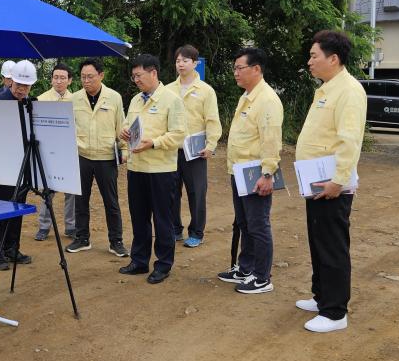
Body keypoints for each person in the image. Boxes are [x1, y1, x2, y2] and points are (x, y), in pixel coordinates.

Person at [294, 30, 366, 333]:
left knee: (332, 245)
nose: (309, 61)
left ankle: (335, 312)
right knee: (318, 240)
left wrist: (338, 181)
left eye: (314, 56)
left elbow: (350, 141)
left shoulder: (349, 91)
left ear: (333, 58)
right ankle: (321, 296)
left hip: (332, 183)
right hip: (316, 179)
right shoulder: (327, 88)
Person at [217, 47, 282, 294]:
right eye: (234, 68)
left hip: (256, 173)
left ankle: (262, 277)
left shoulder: (267, 100)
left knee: (258, 225)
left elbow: (271, 141)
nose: (235, 73)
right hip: (239, 171)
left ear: (256, 69)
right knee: (244, 223)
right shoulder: (247, 96)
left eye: (239, 68)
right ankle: (245, 269)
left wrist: (268, 174)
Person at [118, 54, 187, 284]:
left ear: (153, 73)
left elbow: (179, 135)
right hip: (136, 168)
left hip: (161, 171)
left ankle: (163, 264)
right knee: (139, 217)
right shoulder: (136, 100)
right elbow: (128, 125)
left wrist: (154, 143)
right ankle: (139, 261)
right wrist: (124, 132)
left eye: (139, 75)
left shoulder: (172, 100)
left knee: (162, 219)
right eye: (134, 76)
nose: (136, 80)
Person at [66, 59, 129, 258]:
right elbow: (69, 127)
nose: (86, 81)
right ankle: (82, 238)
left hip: (106, 157)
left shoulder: (114, 97)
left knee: (111, 201)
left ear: (101, 75)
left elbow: (121, 125)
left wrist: (124, 149)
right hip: (82, 156)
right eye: (83, 77)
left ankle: (116, 241)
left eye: (90, 77)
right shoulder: (74, 99)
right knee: (80, 201)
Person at [166, 45, 222, 248]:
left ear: (195, 63)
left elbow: (212, 120)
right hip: (171, 150)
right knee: (171, 192)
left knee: (196, 193)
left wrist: (211, 145)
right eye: (178, 61)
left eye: (185, 60)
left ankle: (197, 232)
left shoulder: (206, 91)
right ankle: (175, 230)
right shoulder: (167, 90)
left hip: (196, 151)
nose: (181, 64)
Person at [0, 60, 38, 271]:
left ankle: (11, 248)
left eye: (26, 86)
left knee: (18, 207)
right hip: (2, 164)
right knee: (0, 207)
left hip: (23, 163)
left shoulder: (31, 104)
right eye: (18, 85)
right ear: (11, 82)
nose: (21, 90)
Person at [33, 62, 77, 241]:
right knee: (47, 190)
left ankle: (71, 226)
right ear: (51, 79)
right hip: (49, 153)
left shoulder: (76, 100)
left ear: (69, 80)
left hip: (69, 152)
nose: (59, 81)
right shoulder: (41, 99)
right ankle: (44, 226)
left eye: (63, 78)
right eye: (56, 77)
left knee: (72, 192)